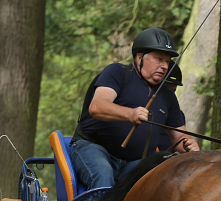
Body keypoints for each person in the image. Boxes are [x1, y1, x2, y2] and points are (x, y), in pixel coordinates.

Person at [70, 27, 199, 189]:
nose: (165, 66)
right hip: (94, 148)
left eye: (167, 61)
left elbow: (179, 138)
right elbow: (97, 106)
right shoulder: (118, 73)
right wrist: (130, 114)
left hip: (132, 164)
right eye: (159, 59)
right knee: (103, 174)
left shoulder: (167, 95)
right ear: (139, 58)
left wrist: (189, 146)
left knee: (162, 174)